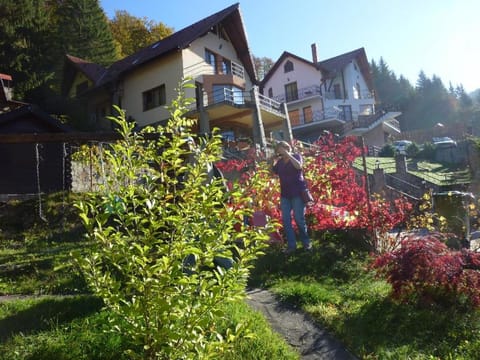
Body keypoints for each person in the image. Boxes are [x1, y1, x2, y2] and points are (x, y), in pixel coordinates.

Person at [271, 141, 312, 254]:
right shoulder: (279, 162)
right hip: (285, 195)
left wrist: (288, 154)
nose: (279, 151)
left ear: (286, 148)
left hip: (297, 193)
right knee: (286, 220)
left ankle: (306, 243)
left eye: (281, 149)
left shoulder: (296, 156)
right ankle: (291, 246)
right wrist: (271, 161)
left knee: (299, 219)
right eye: (278, 150)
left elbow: (298, 166)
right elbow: (273, 173)